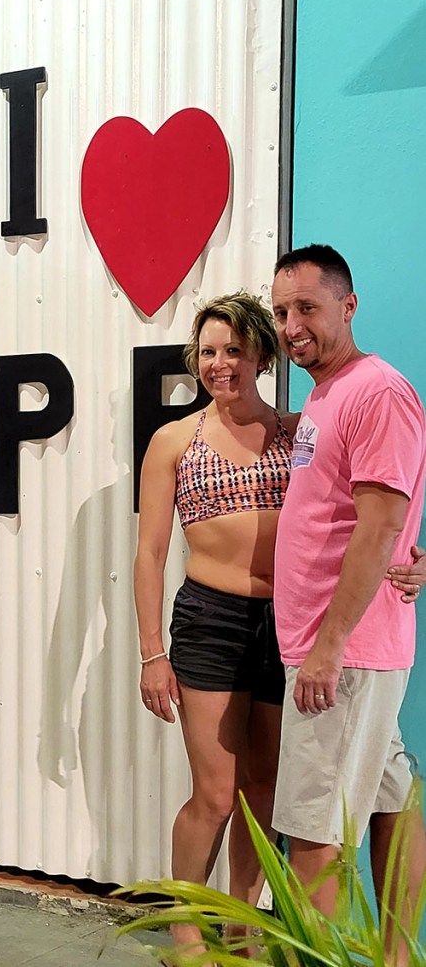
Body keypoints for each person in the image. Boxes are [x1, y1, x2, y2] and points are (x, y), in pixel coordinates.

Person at [134, 291, 424, 956]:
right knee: (212, 792)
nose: (219, 363)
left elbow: (374, 507)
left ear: (260, 353)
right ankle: (185, 923)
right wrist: (152, 652)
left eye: (233, 348)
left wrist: (413, 557)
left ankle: (243, 923)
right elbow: (149, 553)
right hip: (210, 621)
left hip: (290, 623)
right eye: (207, 351)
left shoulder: (299, 432)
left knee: (264, 790)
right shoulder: (174, 440)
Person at [270, 244, 426, 956]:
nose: (291, 324)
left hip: (341, 654)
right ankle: (395, 957)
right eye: (279, 311)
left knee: (312, 836)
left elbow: (382, 522)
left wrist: (326, 647)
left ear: (347, 304)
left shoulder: (375, 390)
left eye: (305, 307)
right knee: (393, 795)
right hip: (350, 649)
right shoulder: (325, 393)